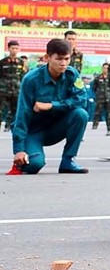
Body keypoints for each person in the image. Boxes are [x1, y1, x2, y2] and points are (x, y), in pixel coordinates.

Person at [10, 39, 88, 174]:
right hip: (33, 131)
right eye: (58, 59)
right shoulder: (31, 79)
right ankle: (29, 154)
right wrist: (19, 149)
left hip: (56, 128)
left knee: (81, 114)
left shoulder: (72, 74)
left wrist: (51, 106)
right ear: (47, 58)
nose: (63, 63)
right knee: (34, 165)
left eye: (66, 59)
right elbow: (22, 114)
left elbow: (81, 100)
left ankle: (67, 161)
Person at [1, 40, 27, 132]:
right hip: (3, 90)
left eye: (16, 48)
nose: (15, 50)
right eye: (13, 48)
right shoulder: (3, 62)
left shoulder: (21, 62)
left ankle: (9, 125)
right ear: (9, 49)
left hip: (17, 90)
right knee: (2, 109)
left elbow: (24, 76)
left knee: (15, 109)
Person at [91, 63, 110, 131]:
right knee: (97, 112)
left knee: (109, 113)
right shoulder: (98, 77)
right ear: (102, 68)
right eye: (104, 68)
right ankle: (95, 125)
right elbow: (94, 87)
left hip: (109, 98)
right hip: (100, 98)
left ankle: (109, 127)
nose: (105, 69)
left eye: (107, 68)